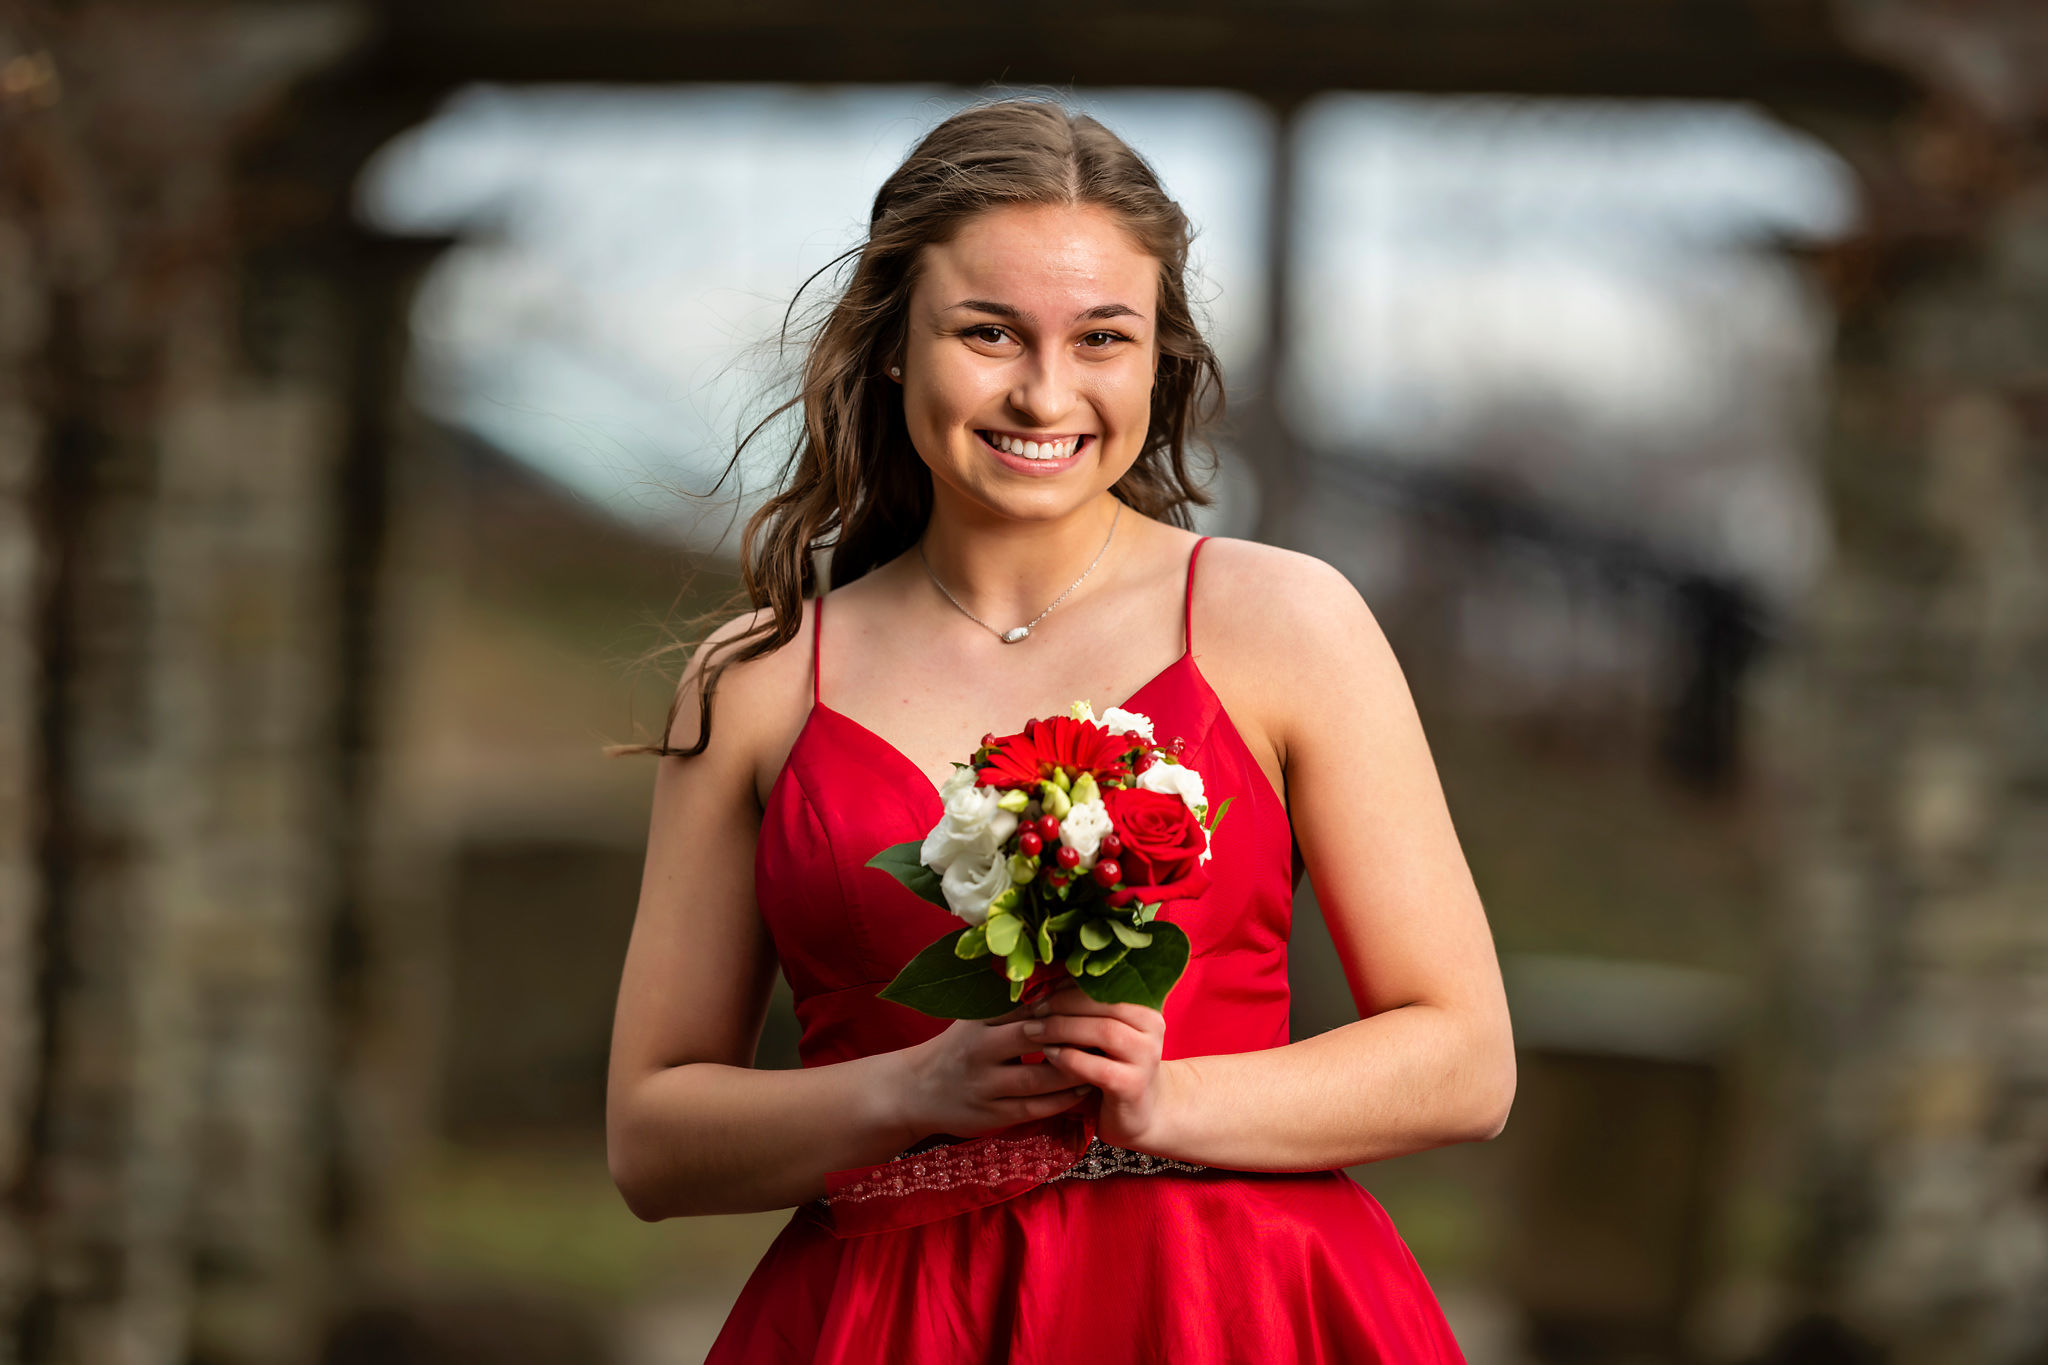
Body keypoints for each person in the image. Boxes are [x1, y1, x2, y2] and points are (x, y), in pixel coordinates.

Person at [605, 98, 1514, 1362]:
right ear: (890, 346)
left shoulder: (1286, 622)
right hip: (886, 1322)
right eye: (988, 332)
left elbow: (1464, 1060)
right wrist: (909, 1090)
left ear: (1158, 359)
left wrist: (1165, 1097)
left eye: (1102, 337)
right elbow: (651, 1143)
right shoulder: (757, 682)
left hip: (1235, 1312)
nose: (1044, 390)